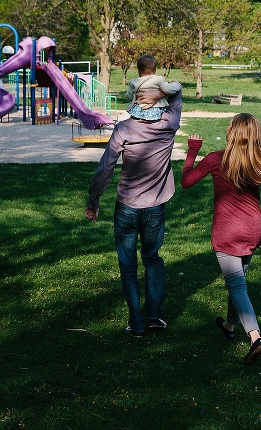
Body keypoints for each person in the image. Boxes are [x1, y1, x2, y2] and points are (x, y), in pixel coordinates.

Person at [180, 113, 261, 365]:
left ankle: (255, 337)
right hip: (252, 229)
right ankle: (229, 325)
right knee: (237, 281)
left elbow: (186, 181)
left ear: (233, 133)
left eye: (229, 126)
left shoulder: (216, 159)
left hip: (227, 231)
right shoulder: (259, 160)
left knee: (237, 285)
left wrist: (192, 152)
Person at [85, 81, 183, 338]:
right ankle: (154, 317)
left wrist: (93, 201)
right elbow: (178, 93)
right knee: (152, 259)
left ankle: (136, 323)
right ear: (160, 103)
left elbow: (105, 168)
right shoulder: (169, 124)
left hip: (126, 207)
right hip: (155, 208)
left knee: (128, 266)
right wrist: (162, 89)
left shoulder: (124, 129)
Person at [125, 54, 180, 121]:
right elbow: (167, 89)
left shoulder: (134, 82)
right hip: (155, 110)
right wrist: (176, 87)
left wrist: (127, 95)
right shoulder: (158, 79)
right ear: (155, 70)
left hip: (139, 111)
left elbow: (130, 96)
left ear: (138, 70)